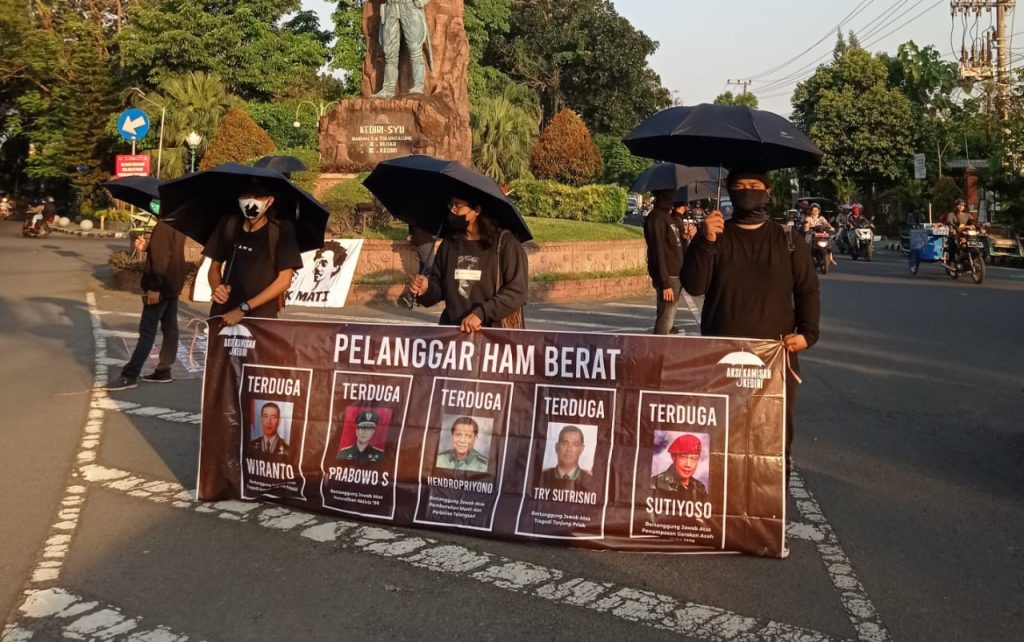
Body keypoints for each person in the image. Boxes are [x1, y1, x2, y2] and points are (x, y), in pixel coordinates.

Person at [682, 168, 820, 483]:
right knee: (721, 439)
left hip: (775, 363)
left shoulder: (788, 239)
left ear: (767, 191)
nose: (748, 190)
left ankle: (769, 520)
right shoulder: (715, 235)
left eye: (755, 185)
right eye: (740, 186)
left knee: (771, 442)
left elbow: (807, 289)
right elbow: (694, 286)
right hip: (720, 361)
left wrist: (808, 334)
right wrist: (705, 241)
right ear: (729, 190)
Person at [408, 193, 527, 332]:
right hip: (453, 335)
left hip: (493, 338)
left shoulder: (506, 244)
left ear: (476, 210)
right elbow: (438, 288)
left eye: (458, 205)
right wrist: (426, 290)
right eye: (450, 205)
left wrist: (482, 313)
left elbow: (517, 292)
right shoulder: (449, 244)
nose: (452, 210)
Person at [102, 221, 188, 390]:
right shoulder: (179, 224)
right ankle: (164, 369)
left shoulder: (164, 226)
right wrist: (149, 247)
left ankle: (130, 375)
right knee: (170, 329)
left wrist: (154, 287)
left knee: (147, 331)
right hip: (173, 284)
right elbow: (167, 252)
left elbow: (162, 258)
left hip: (161, 287)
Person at [203, 182, 304, 326]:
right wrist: (216, 287)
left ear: (270, 200)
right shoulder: (229, 224)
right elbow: (214, 266)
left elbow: (284, 281)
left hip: (260, 319)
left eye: (258, 196)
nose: (251, 201)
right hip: (223, 314)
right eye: (246, 196)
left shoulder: (281, 230)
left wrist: (243, 309)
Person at [643, 189, 685, 335]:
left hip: (675, 274)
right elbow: (658, 250)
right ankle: (660, 351)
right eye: (670, 197)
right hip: (668, 276)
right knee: (665, 319)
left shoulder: (667, 217)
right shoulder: (656, 219)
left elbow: (674, 244)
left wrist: (685, 237)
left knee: (669, 317)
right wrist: (665, 282)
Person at [374, 0, 430, 98]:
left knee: (415, 49)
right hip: (390, 6)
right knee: (390, 53)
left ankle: (418, 86)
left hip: (409, 5)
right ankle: (388, 89)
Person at [649, 434, 709, 501]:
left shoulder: (700, 487)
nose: (688, 464)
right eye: (683, 457)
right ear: (673, 457)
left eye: (693, 459)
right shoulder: (655, 483)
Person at [539, 425, 594, 491]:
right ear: (557, 447)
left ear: (581, 449)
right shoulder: (541, 477)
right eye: (564, 443)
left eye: (575, 444)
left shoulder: (591, 480)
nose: (569, 449)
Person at [946, 198, 972, 265]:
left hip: (965, 234)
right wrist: (952, 230)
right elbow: (949, 223)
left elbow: (973, 223)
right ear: (955, 206)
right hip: (955, 234)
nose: (961, 207)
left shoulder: (967, 215)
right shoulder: (951, 215)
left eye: (963, 205)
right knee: (952, 243)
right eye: (959, 205)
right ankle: (951, 260)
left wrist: (978, 227)